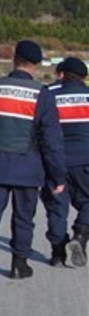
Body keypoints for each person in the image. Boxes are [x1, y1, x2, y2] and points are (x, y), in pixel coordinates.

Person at [0, 39, 67, 286]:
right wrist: (57, 176)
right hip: (27, 169)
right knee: (23, 218)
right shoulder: (42, 95)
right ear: (37, 64)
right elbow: (52, 142)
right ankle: (19, 264)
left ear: (15, 59)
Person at [41, 56, 89, 267]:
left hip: (54, 161)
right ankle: (80, 235)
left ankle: (58, 253)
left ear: (62, 74)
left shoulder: (49, 94)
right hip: (85, 160)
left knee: (56, 207)